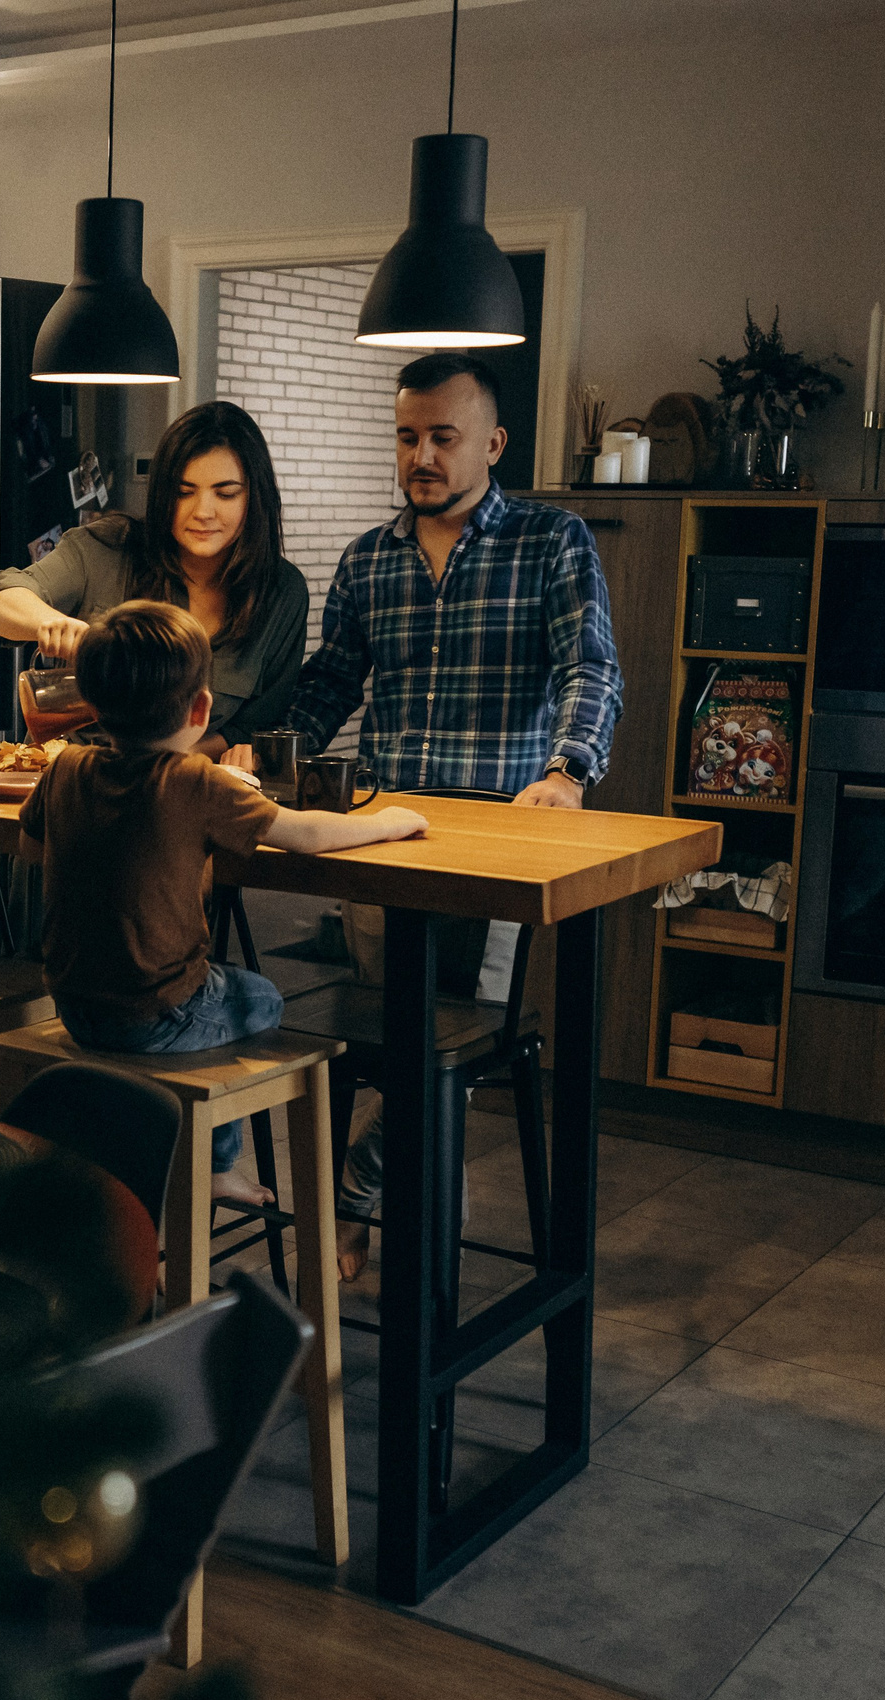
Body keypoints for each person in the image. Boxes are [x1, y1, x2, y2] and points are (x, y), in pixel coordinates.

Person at [283, 353, 623, 1276]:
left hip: (499, 850)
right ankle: (411, 1262)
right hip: (379, 841)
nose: (421, 455)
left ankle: (349, 1195)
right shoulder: (366, 560)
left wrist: (568, 771)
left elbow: (590, 668)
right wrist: (260, 753)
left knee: (452, 1047)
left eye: (443, 436)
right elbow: (328, 686)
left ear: (492, 443)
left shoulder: (552, 543)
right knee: (394, 1042)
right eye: (407, 436)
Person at [19, 601, 426, 1206]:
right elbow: (309, 836)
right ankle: (215, 1162)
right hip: (156, 1016)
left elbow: (27, 848)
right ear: (201, 708)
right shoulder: (196, 782)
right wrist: (392, 821)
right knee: (260, 997)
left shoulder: (66, 769)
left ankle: (131, 1153)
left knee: (220, 988)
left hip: (72, 1005)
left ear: (91, 704)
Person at [0, 401, 308, 755]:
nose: (202, 512)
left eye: (225, 493)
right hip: (71, 779)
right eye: (184, 492)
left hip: (181, 790)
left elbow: (252, 725)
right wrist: (51, 622)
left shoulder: (281, 592)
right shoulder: (109, 547)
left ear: (255, 497)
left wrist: (159, 766)